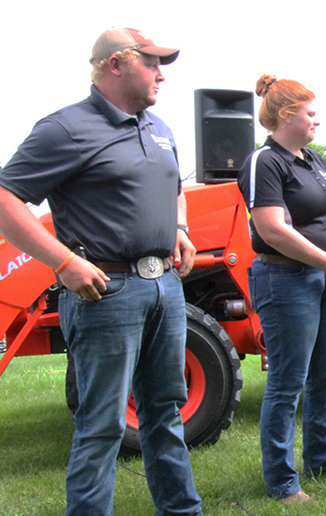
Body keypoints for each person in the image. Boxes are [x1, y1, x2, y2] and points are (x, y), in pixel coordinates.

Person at [0, 28, 202, 514]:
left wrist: (179, 226)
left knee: (164, 414)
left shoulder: (159, 128)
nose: (161, 75)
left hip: (166, 289)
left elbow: (174, 182)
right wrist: (64, 262)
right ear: (116, 64)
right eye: (152, 64)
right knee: (103, 425)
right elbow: (6, 197)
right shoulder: (65, 128)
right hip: (105, 294)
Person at [237, 75, 326, 505]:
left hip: (325, 280)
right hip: (285, 279)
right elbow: (272, 230)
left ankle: (324, 464)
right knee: (288, 383)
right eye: (310, 113)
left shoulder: (312, 159)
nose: (317, 120)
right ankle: (282, 483)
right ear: (287, 115)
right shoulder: (264, 162)